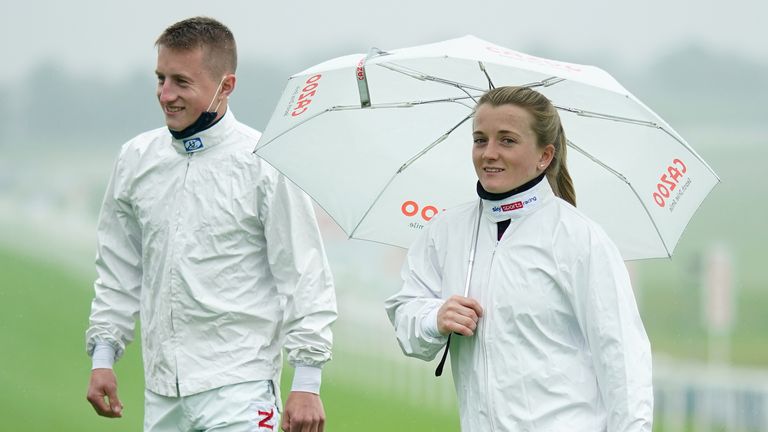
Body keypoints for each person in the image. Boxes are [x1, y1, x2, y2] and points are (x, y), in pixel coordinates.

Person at [85, 17, 337, 432]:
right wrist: (103, 358)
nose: (165, 95)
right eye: (161, 78)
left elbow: (305, 275)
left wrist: (307, 381)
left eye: (181, 82)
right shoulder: (135, 158)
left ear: (226, 86)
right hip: (162, 393)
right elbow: (117, 269)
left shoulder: (265, 164)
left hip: (241, 388)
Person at [385, 86, 653, 431]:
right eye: (480, 139)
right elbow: (405, 318)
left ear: (545, 156)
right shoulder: (446, 231)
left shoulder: (580, 239)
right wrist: (434, 317)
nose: (489, 153)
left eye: (507, 140)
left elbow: (623, 359)